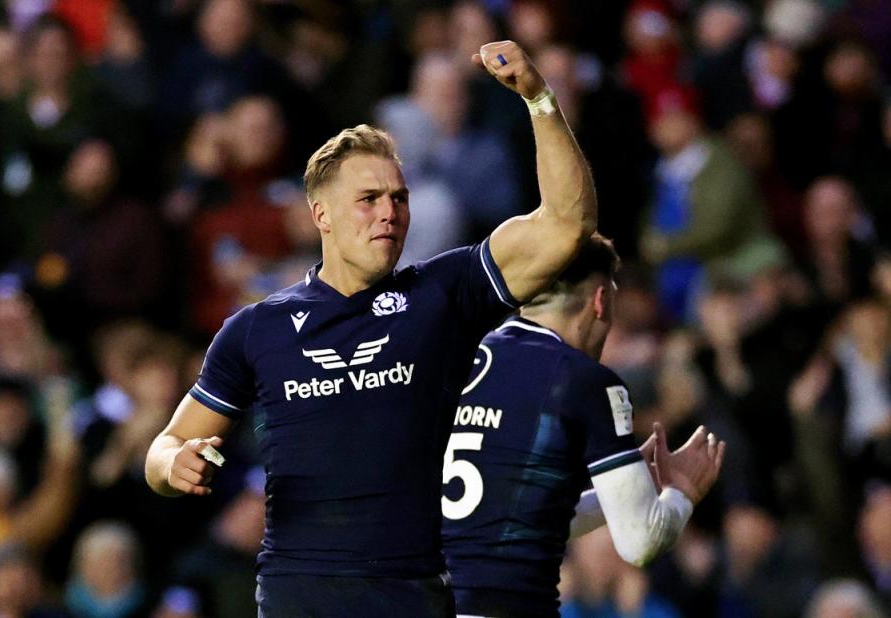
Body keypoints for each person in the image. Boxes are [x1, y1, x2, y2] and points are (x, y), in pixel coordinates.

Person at [145, 39, 598, 617]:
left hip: (411, 596)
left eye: (399, 198)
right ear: (321, 215)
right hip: (296, 598)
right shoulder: (257, 329)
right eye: (368, 199)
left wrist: (538, 100)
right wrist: (172, 466)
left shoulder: (443, 292)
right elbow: (166, 446)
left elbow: (567, 225)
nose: (390, 212)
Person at [442, 234, 725, 618]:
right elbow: (640, 542)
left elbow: (524, 520)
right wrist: (681, 494)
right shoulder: (583, 380)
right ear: (600, 300)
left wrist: (621, 495)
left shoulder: (464, 359)